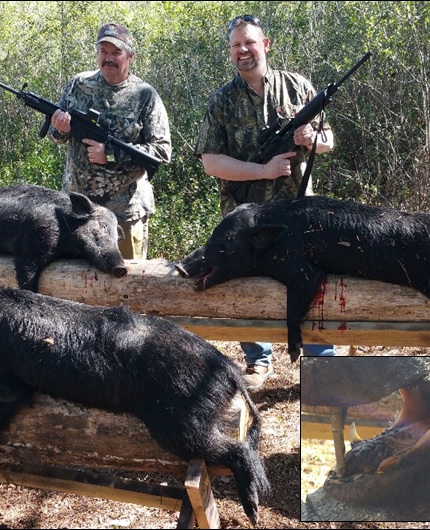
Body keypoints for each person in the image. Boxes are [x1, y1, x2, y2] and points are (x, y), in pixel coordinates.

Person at [195, 14, 335, 388]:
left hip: (298, 214)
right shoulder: (221, 101)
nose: (243, 51)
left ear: (265, 44)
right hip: (245, 221)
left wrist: (310, 140)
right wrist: (263, 171)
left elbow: (329, 141)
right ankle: (259, 361)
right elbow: (211, 162)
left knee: (311, 278)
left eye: (250, 43)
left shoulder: (298, 87)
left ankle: (321, 361)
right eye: (236, 45)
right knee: (243, 283)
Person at [48, 23, 172, 259]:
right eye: (103, 52)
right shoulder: (78, 85)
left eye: (116, 52)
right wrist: (60, 129)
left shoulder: (145, 95)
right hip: (78, 210)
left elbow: (161, 151)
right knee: (74, 282)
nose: (109, 58)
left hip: (125, 212)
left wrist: (111, 155)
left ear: (130, 56)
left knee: (128, 282)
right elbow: (56, 138)